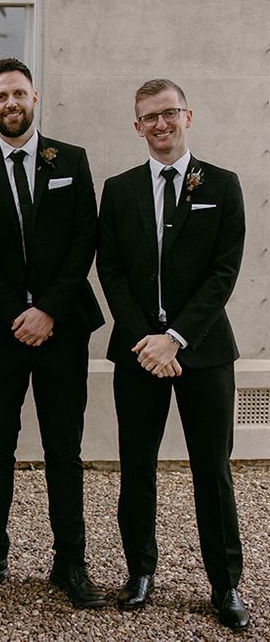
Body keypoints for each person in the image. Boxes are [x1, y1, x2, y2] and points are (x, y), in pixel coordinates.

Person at [0, 58, 107, 608]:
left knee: (64, 446)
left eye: (19, 93)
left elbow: (85, 236)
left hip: (63, 328)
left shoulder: (71, 159)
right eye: (0, 96)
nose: (10, 104)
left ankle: (71, 562)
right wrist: (18, 311)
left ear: (34, 97)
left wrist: (49, 312)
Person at [97, 79, 249, 631]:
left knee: (213, 470)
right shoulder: (119, 190)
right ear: (137, 127)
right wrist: (147, 340)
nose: (161, 125)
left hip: (204, 353)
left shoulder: (224, 185)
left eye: (169, 113)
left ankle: (225, 583)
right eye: (149, 118)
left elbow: (223, 273)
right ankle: (139, 573)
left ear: (188, 116)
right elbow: (109, 270)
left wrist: (177, 338)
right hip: (138, 352)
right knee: (137, 466)